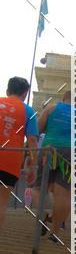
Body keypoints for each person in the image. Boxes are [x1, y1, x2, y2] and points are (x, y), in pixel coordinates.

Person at [0, 76, 38, 230]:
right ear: (25, 94)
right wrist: (32, 166)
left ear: (8, 90)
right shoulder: (29, 111)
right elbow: (32, 141)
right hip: (10, 161)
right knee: (2, 203)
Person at [36, 90, 73, 243]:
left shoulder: (51, 108)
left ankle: (43, 214)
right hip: (71, 152)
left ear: (64, 98)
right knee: (63, 194)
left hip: (49, 149)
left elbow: (38, 128)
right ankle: (55, 232)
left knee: (38, 188)